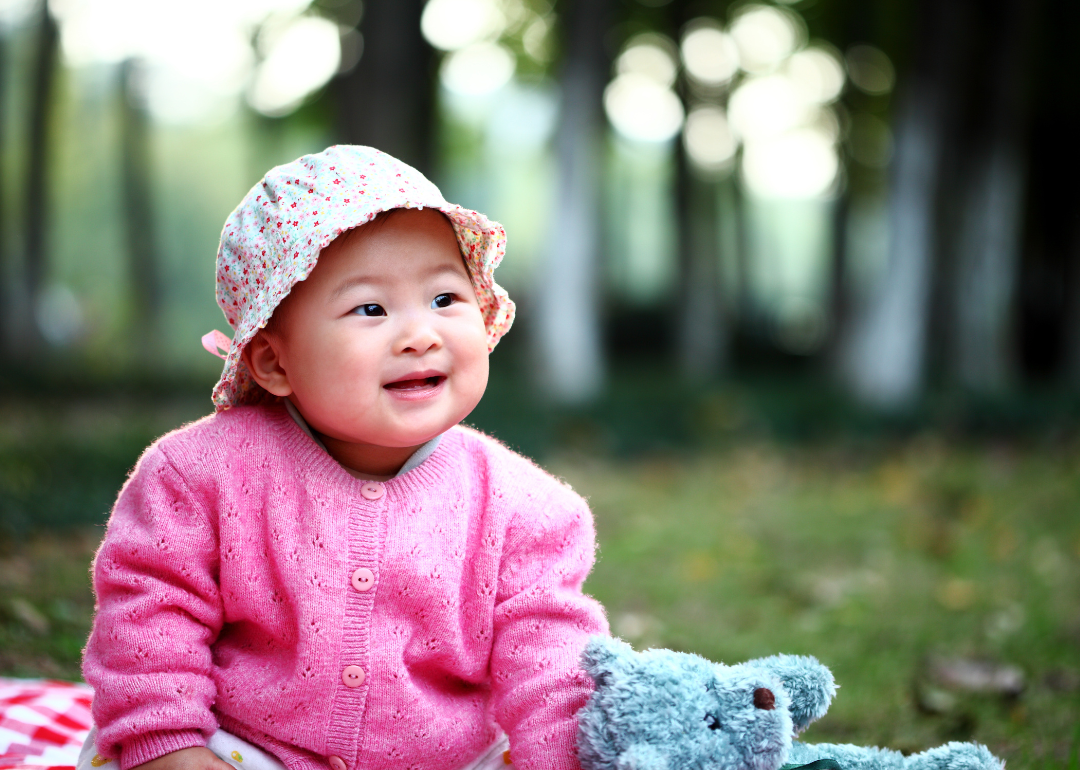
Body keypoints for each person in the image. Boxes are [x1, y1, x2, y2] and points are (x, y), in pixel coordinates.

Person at [79, 146, 609, 770]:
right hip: (244, 749)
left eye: (444, 298)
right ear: (275, 362)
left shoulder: (526, 509)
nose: (420, 334)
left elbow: (549, 671)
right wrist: (167, 743)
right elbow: (149, 617)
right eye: (371, 309)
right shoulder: (197, 477)